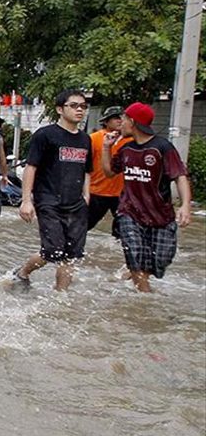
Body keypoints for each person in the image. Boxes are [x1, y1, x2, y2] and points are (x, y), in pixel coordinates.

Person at [100, 102, 193, 292]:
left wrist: (185, 206)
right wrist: (106, 148)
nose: (121, 123)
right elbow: (109, 172)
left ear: (132, 122)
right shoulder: (126, 149)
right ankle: (144, 297)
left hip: (161, 216)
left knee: (160, 262)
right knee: (135, 257)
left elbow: (179, 176)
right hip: (129, 212)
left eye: (124, 119)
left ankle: (136, 277)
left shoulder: (162, 147)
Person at [11, 90, 93, 291]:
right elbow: (31, 167)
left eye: (83, 106)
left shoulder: (85, 139)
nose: (79, 110)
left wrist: (87, 194)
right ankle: (23, 272)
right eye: (74, 105)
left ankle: (60, 296)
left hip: (76, 203)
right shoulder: (45, 135)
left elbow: (87, 170)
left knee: (72, 254)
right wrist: (26, 200)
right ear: (59, 109)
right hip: (48, 201)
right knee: (53, 250)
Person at [87, 105, 131, 237]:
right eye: (116, 118)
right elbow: (85, 166)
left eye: (122, 118)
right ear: (106, 121)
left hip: (122, 194)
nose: (120, 121)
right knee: (82, 226)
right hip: (96, 191)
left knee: (122, 231)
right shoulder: (93, 139)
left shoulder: (131, 140)